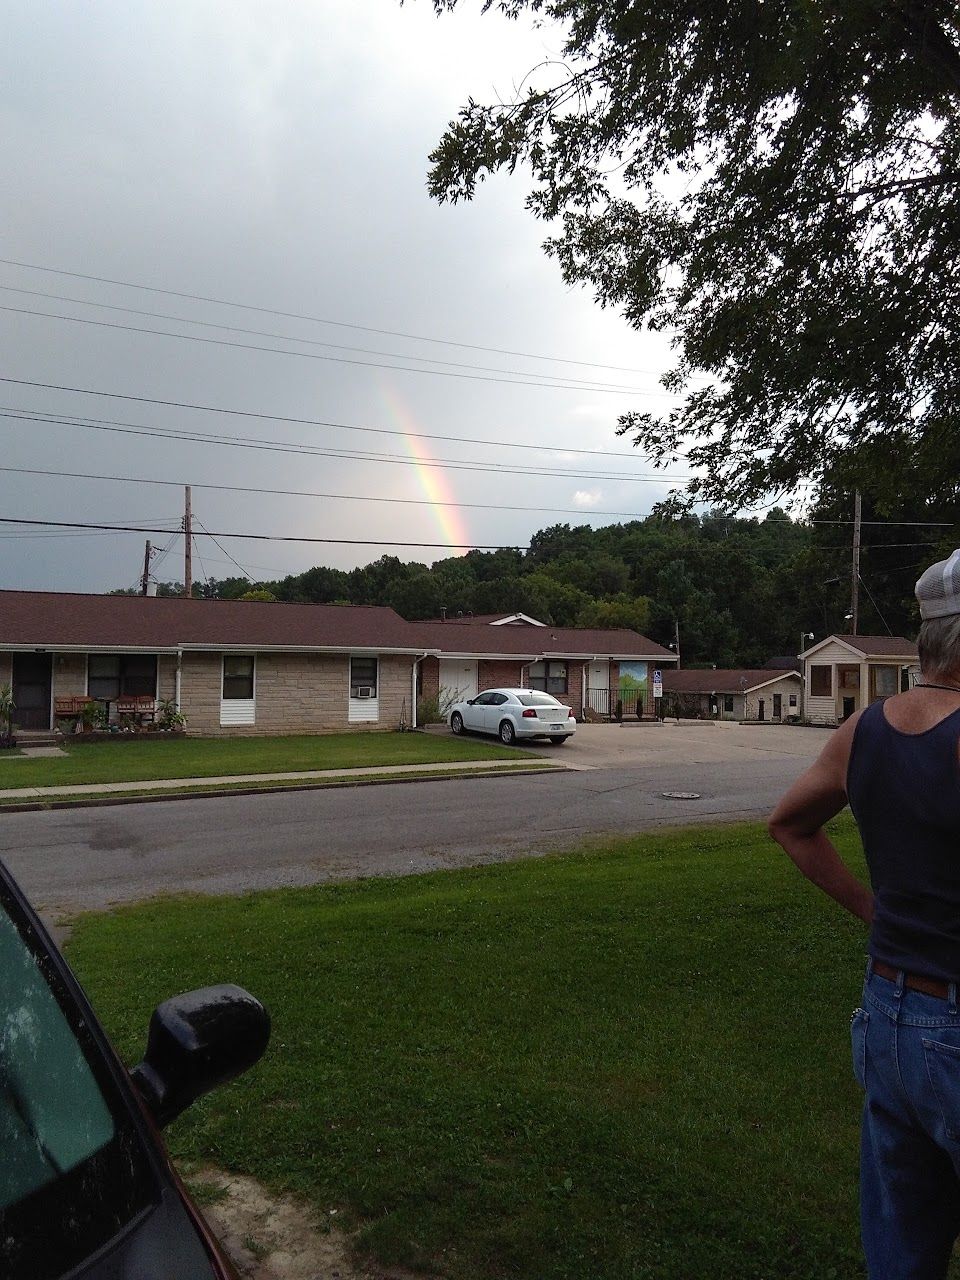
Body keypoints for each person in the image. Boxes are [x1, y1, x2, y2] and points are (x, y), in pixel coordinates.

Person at [769, 548, 960, 1280]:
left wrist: (872, 911)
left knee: (903, 1254)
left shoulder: (864, 731)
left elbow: (790, 825)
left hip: (887, 1015)